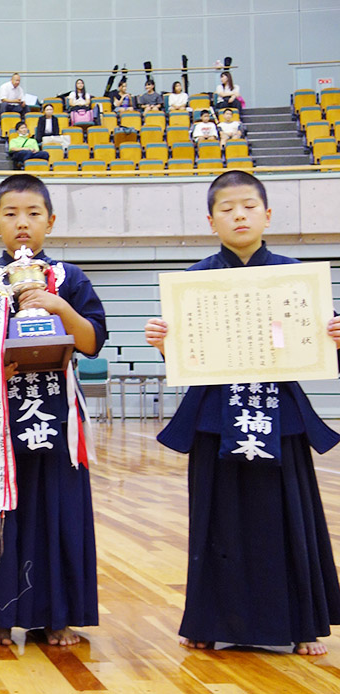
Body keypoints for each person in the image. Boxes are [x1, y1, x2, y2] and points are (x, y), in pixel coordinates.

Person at [144, 170, 340, 656]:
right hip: (216, 414)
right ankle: (208, 620)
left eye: (248, 206)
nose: (238, 215)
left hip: (279, 413)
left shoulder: (295, 275)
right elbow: (186, 362)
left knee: (287, 515)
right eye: (227, 208)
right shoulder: (194, 280)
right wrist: (165, 346)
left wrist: (331, 337)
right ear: (211, 221)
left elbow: (311, 349)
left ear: (267, 214)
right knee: (215, 519)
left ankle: (299, 625)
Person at [0, 174, 106, 648]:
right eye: (11, 214)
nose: (22, 223)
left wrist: (58, 306)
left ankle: (57, 617)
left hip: (58, 417)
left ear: (50, 222)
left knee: (60, 511)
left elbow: (92, 340)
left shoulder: (69, 279)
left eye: (33, 213)